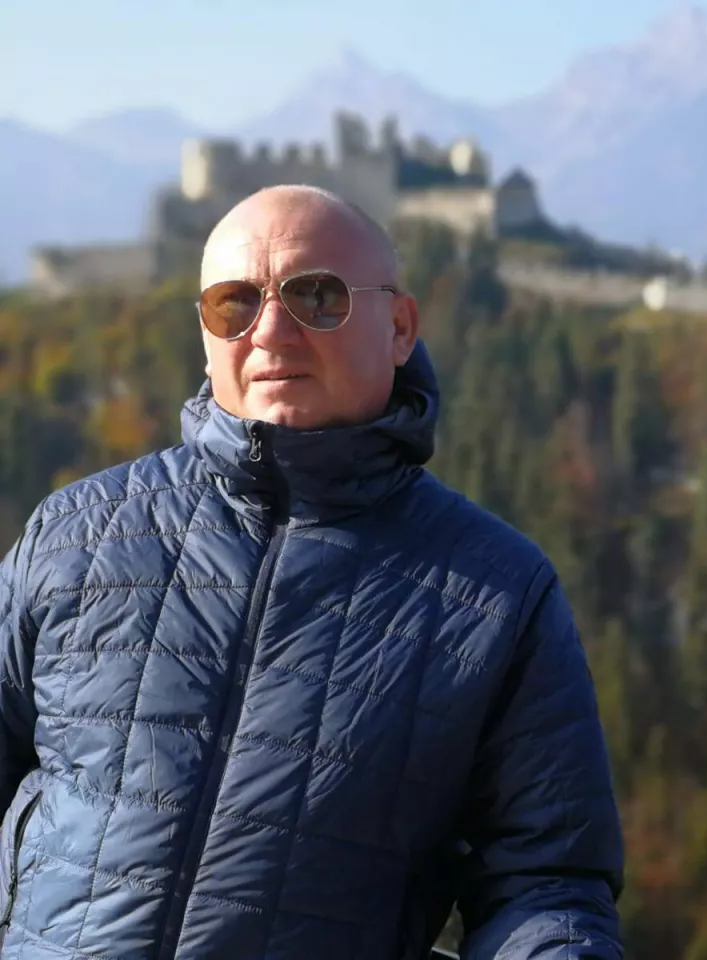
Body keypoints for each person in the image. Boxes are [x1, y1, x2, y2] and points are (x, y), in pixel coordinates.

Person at [0, 184, 625, 958]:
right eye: (234, 304)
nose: (269, 331)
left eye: (317, 296)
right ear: (204, 335)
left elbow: (545, 884)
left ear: (400, 328)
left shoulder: (495, 593)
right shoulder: (77, 534)